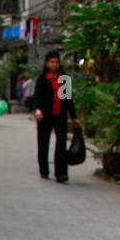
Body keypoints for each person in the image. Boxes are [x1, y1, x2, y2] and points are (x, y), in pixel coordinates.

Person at [32, 51, 81, 182]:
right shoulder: (43, 79)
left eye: (57, 62)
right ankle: (44, 170)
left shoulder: (64, 79)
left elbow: (68, 100)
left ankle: (61, 173)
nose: (54, 64)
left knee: (61, 143)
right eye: (52, 62)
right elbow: (36, 97)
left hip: (60, 115)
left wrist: (74, 117)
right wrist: (37, 110)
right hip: (45, 115)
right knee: (43, 143)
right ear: (47, 63)